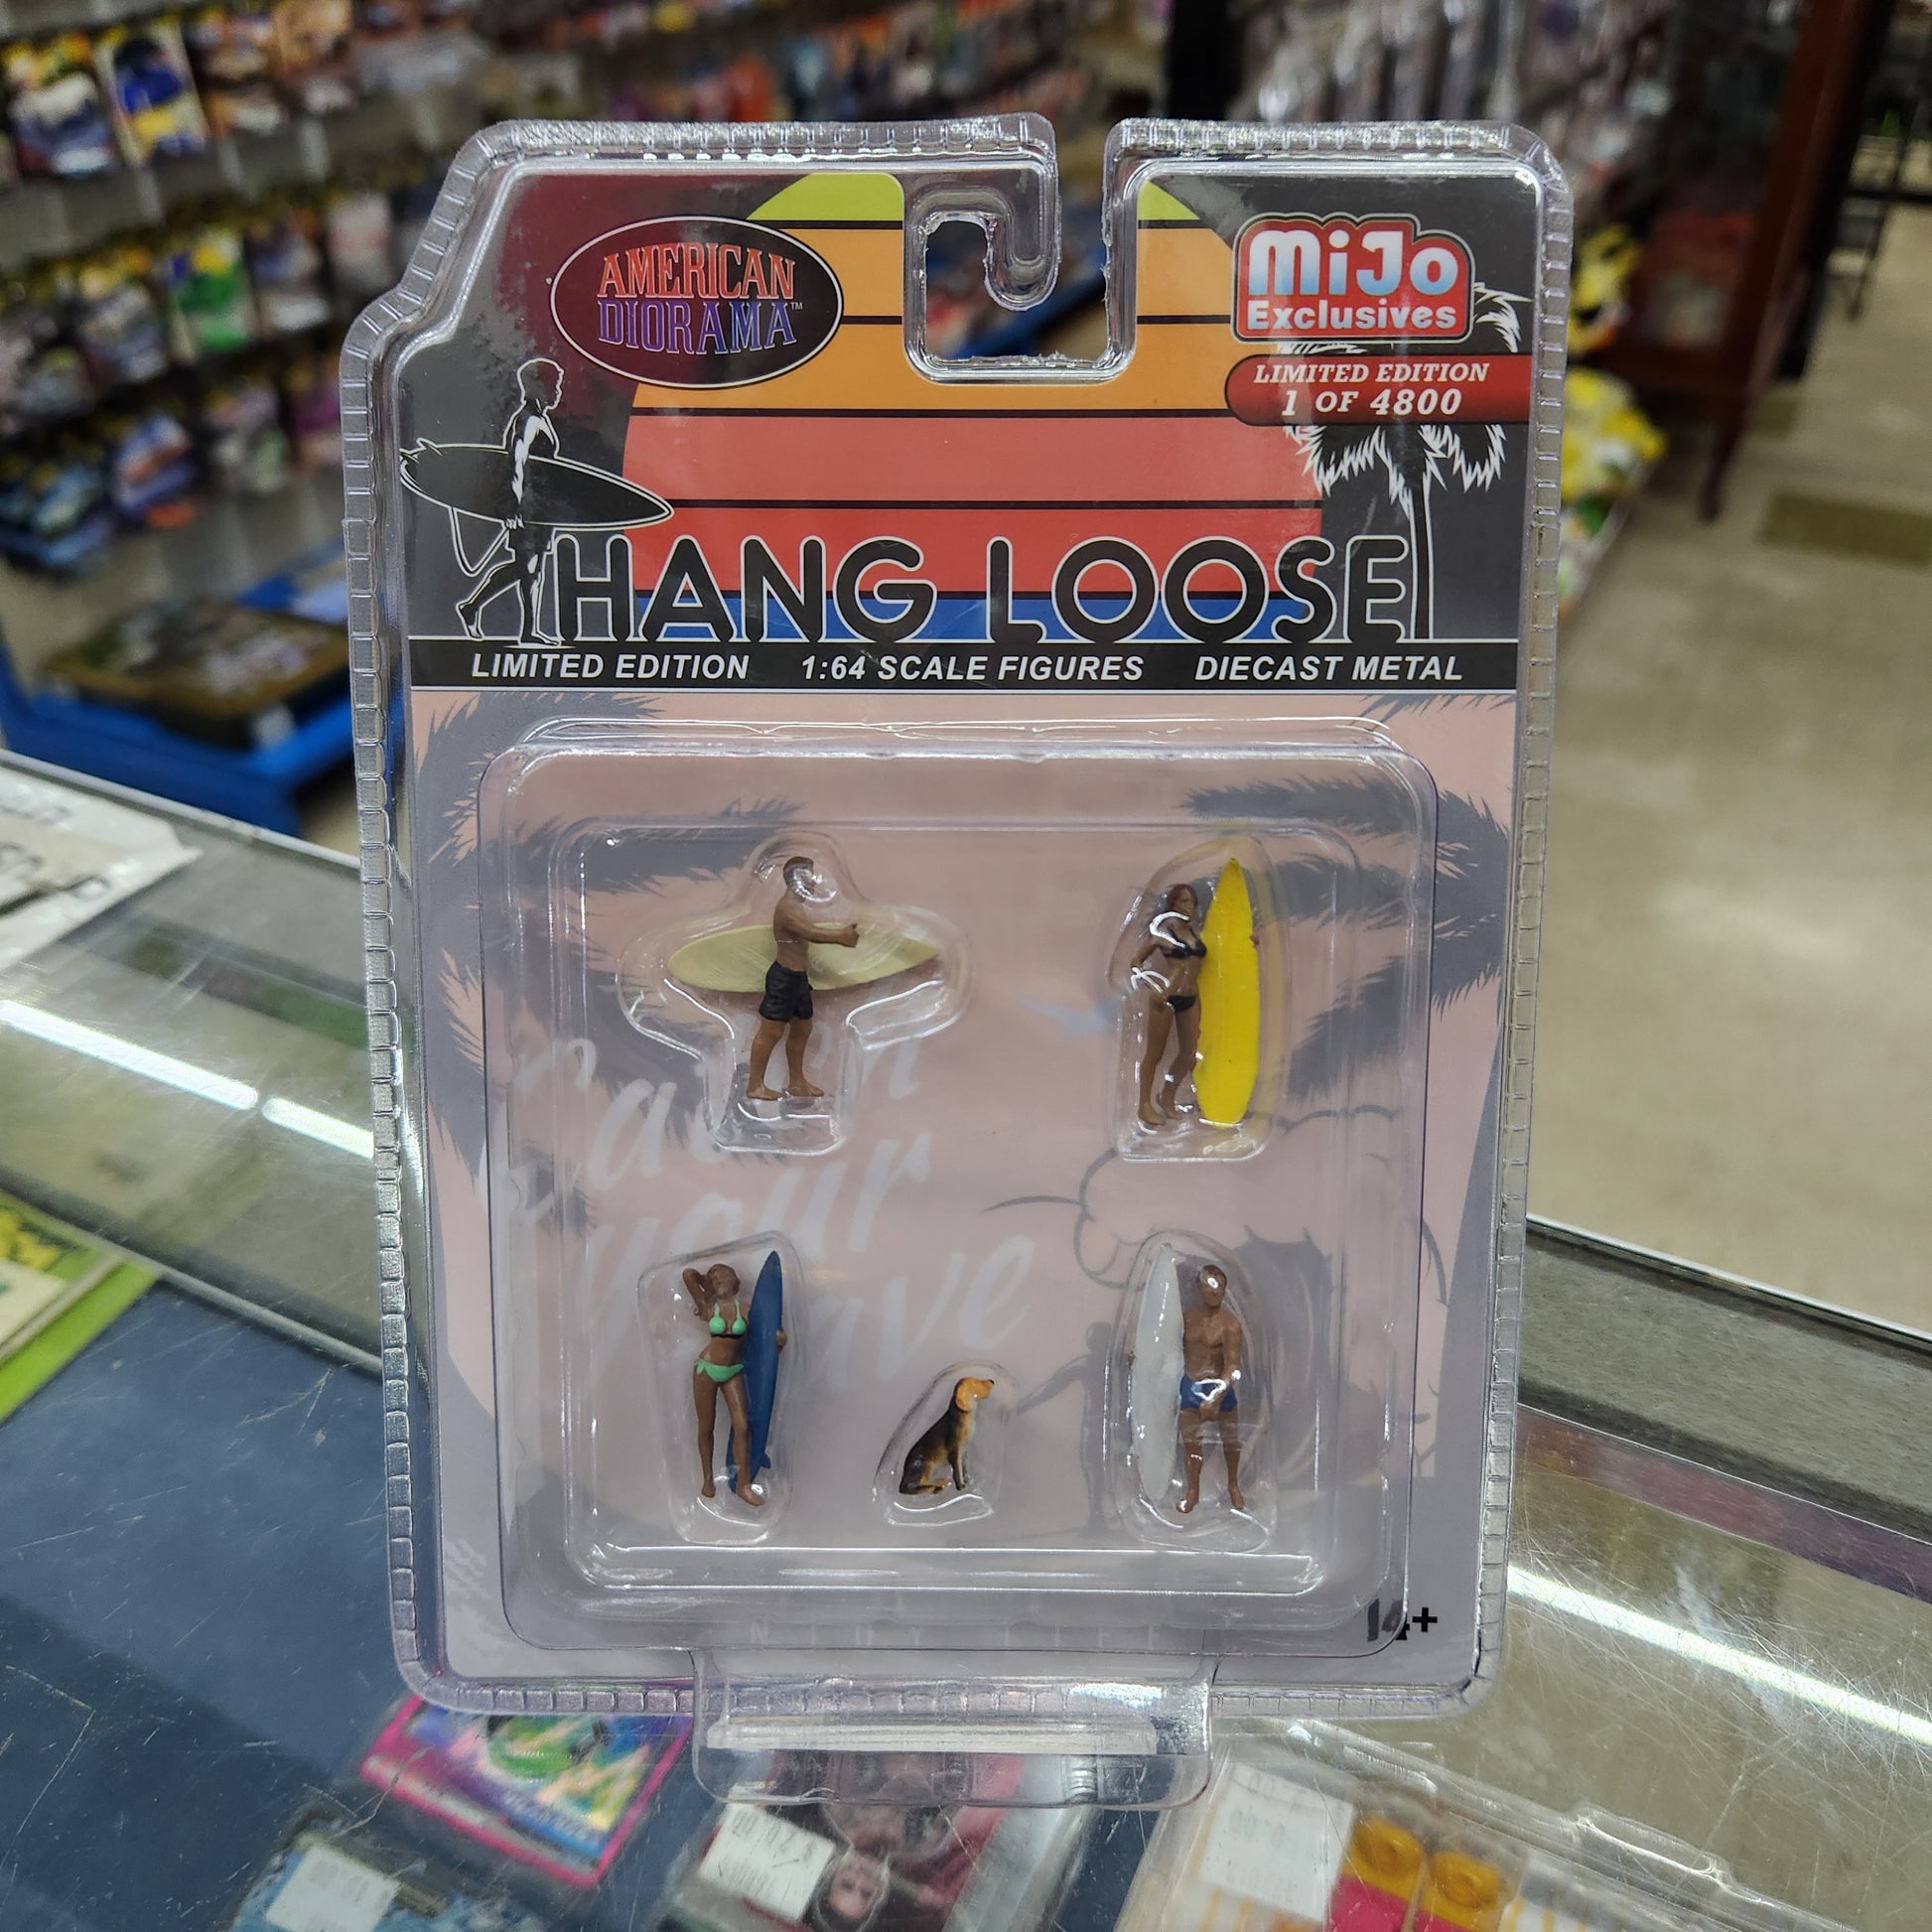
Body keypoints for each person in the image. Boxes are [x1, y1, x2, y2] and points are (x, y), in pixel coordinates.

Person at [456, 356, 562, 641]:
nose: (558, 390)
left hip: (539, 508)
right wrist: (514, 504)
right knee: (529, 568)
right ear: (538, 386)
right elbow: (517, 460)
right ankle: (526, 631)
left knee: (528, 569)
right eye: (554, 384)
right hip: (527, 507)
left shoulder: (539, 419)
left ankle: (473, 607)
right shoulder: (528, 421)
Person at [746, 855, 860, 1102]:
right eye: (809, 878)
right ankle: (755, 1085)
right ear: (796, 880)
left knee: (802, 1029)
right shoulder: (787, 908)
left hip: (798, 979)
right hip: (784, 979)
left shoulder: (796, 907)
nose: (814, 883)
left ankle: (797, 1082)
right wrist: (840, 937)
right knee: (771, 1032)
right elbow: (810, 932)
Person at [683, 1260, 783, 1505]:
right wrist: (706, 1281)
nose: (721, 1281)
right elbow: (688, 1275)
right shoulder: (709, 1307)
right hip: (707, 1369)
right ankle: (708, 1480)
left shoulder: (745, 1309)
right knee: (706, 1426)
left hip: (733, 1370)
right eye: (717, 1278)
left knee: (742, 1426)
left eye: (725, 1276)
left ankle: (743, 1485)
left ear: (734, 1281)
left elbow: (763, 1338)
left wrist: (778, 1342)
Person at [1127, 881, 1206, 1128]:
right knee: (1154, 1054)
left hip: (1190, 996)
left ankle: (1167, 1096)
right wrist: (1153, 984)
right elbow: (1135, 963)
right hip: (1166, 996)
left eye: (1192, 902)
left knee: (1189, 1053)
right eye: (1183, 901)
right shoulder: (1162, 933)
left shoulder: (1194, 932)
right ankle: (1144, 1105)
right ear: (1173, 903)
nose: (1189, 906)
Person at [1177, 1262, 1244, 1513]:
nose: (1214, 1292)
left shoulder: (1230, 1324)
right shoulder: (1187, 1319)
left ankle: (1234, 1485)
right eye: (1209, 1286)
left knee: (1231, 1440)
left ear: (1225, 1289)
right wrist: (1140, 1360)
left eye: (1219, 1287)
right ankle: (1192, 1491)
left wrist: (1216, 1397)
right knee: (1191, 1441)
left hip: (1220, 1385)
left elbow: (1233, 1365)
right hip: (1191, 1384)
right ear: (1199, 1287)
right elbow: (1168, 1350)